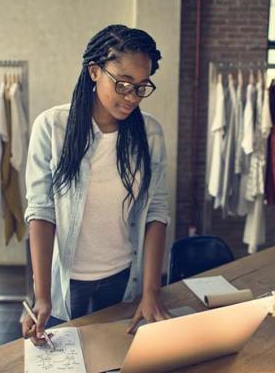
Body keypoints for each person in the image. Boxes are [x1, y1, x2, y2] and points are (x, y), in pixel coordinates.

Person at [22, 24, 172, 346]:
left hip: (122, 276)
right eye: (122, 84)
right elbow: (41, 212)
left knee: (114, 358)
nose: (132, 97)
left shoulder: (151, 133)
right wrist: (42, 296)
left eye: (142, 87)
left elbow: (156, 212)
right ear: (94, 71)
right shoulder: (52, 127)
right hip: (67, 281)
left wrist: (151, 291)